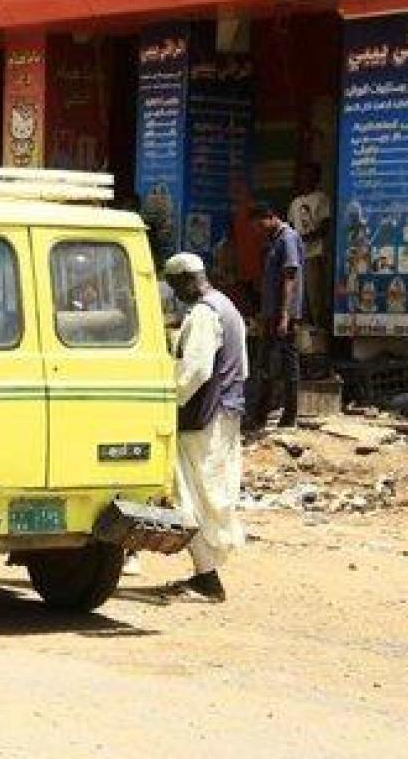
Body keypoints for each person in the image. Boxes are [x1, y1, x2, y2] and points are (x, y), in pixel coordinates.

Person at [162, 252, 249, 602]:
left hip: (203, 419)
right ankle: (206, 572)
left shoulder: (202, 314)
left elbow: (196, 370)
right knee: (213, 492)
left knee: (190, 493)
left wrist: (167, 398)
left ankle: (207, 578)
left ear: (185, 280)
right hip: (226, 414)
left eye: (174, 287)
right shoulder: (226, 306)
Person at [245, 202, 305, 431]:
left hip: (283, 315)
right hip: (271, 314)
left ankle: (289, 416)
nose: (259, 230)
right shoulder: (273, 240)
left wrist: (284, 315)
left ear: (270, 217)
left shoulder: (287, 238)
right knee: (266, 363)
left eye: (260, 224)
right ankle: (262, 413)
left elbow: (290, 276)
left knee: (288, 364)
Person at [288, 163, 332, 328]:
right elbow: (291, 227)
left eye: (310, 175)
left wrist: (304, 238)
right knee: (300, 298)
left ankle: (319, 333)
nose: (305, 178)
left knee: (315, 297)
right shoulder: (295, 202)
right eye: (303, 175)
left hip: (314, 254)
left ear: (316, 178)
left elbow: (325, 227)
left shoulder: (321, 198)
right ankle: (304, 337)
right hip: (296, 257)